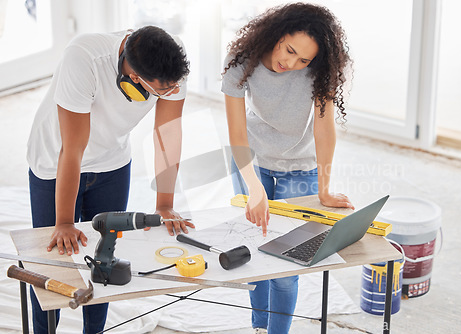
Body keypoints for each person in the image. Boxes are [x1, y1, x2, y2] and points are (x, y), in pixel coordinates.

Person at [26, 25, 193, 334]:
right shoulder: (84, 57)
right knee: (49, 264)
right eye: (162, 92)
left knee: (105, 260)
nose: (171, 94)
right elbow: (72, 150)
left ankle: (95, 331)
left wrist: (164, 205)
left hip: (112, 163)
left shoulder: (170, 66)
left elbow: (167, 135)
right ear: (133, 79)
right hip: (54, 163)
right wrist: (64, 222)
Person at [221, 3, 354, 333]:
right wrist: (253, 187)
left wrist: (323, 188)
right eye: (290, 50)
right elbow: (236, 134)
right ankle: (258, 327)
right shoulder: (241, 61)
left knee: (287, 264)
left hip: (300, 167)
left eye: (302, 60)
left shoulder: (320, 70)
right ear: (277, 34)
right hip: (252, 161)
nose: (290, 63)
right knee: (256, 250)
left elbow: (324, 128)